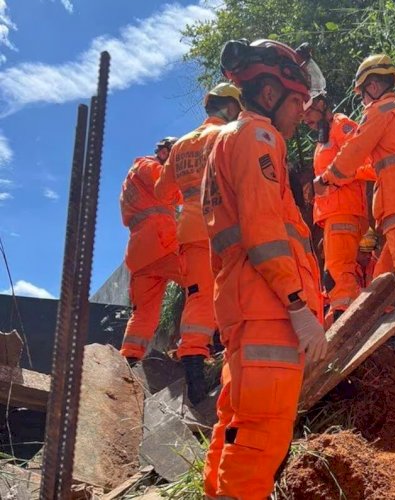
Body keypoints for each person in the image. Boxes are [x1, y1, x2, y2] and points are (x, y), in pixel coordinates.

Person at [200, 38, 327, 499]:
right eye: (297, 101)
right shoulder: (258, 136)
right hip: (269, 310)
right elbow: (264, 232)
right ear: (271, 94)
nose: (301, 113)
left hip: (246, 309)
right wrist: (297, 306)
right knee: (260, 438)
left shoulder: (230, 141)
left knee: (235, 426)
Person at [312, 54, 395, 348]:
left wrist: (327, 179)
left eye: (364, 92)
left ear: (374, 85)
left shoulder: (380, 111)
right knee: (383, 276)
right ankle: (391, 333)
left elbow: (355, 151)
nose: (363, 99)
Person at [153, 82, 242, 405]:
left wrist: (188, 191)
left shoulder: (181, 145)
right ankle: (213, 372)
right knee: (226, 295)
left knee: (198, 298)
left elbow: (163, 192)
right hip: (220, 226)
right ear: (231, 107)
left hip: (189, 229)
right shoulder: (228, 134)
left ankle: (194, 368)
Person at [303, 91, 368, 323]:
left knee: (339, 273)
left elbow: (365, 164)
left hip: (344, 212)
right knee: (340, 273)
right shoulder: (325, 137)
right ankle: (343, 316)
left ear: (322, 103)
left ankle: (346, 322)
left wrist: (329, 180)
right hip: (335, 214)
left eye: (308, 111)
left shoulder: (342, 126)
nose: (305, 118)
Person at [119, 137, 182, 365]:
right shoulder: (147, 166)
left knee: (144, 312)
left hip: (141, 252)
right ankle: (205, 341)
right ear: (165, 153)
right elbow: (171, 188)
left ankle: (129, 359)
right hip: (161, 241)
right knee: (203, 282)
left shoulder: (134, 177)